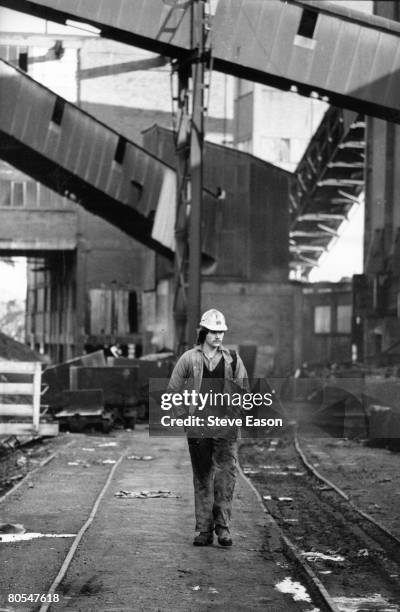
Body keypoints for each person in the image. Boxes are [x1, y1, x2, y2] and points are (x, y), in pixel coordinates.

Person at [167, 308, 248, 547]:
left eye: (221, 332)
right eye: (214, 331)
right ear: (204, 332)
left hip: (225, 428)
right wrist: (184, 418)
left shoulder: (232, 358)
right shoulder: (189, 358)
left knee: (225, 477)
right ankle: (203, 530)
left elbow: (244, 391)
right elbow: (173, 390)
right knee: (202, 477)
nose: (218, 336)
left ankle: (223, 529)